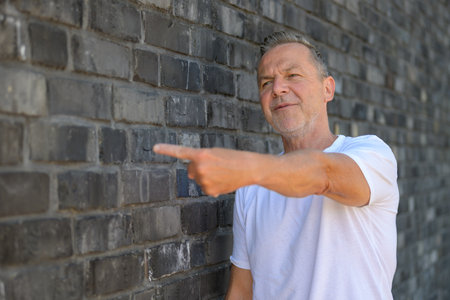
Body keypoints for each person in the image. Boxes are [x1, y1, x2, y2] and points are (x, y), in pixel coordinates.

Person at [153, 31, 399, 299]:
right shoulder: (251, 189)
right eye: (266, 82)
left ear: (327, 88)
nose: (278, 89)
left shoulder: (371, 154)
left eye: (293, 76)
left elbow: (323, 174)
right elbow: (242, 290)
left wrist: (247, 169)